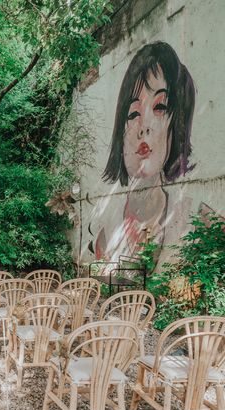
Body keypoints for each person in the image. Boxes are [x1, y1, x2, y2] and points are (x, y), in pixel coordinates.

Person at [95, 41, 195, 263]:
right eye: (132, 114)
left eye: (160, 107)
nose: (144, 126)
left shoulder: (193, 217)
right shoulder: (105, 231)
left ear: (177, 126)